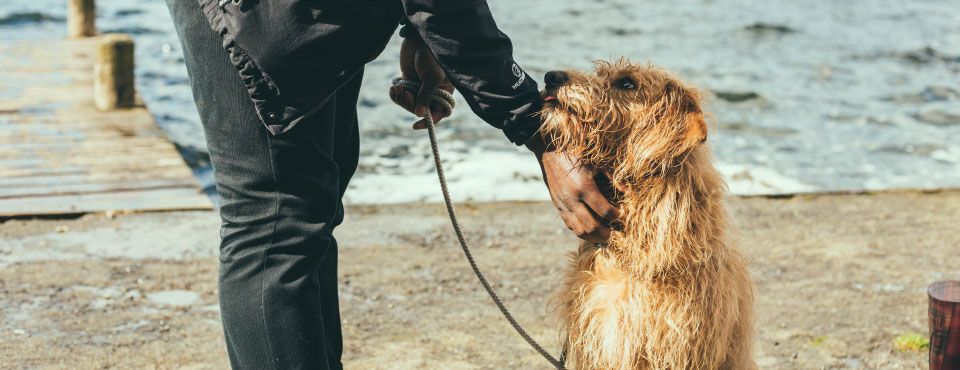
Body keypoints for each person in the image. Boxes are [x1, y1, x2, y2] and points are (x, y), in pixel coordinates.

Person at [164, 1, 619, 369]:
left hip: (318, 13)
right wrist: (536, 130)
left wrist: (419, 31)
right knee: (274, 225)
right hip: (255, 15)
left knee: (308, 214)